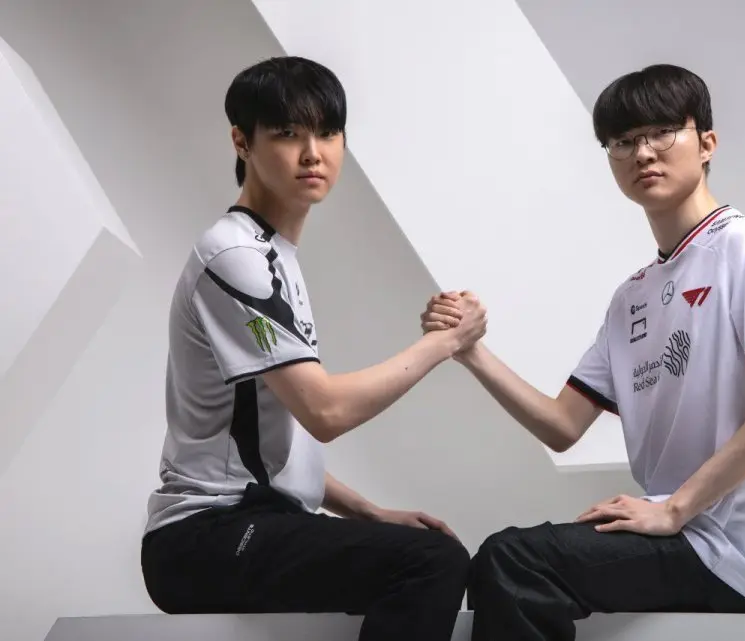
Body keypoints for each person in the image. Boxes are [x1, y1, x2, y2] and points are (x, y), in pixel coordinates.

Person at [422, 63, 745, 639]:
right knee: (499, 563)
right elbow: (562, 425)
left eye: (662, 132)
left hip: (723, 550)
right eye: (624, 141)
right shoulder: (631, 297)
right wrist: (470, 350)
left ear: (707, 143)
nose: (643, 153)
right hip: (671, 530)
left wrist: (674, 508)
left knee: (513, 561)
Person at [140, 56, 487, 641]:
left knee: (427, 553)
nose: (312, 153)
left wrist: (368, 512)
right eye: (286, 133)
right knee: (431, 563)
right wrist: (446, 340)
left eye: (327, 132)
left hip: (250, 522)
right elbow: (325, 411)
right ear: (241, 142)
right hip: (203, 538)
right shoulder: (237, 257)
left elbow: (268, 440)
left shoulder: (272, 255)